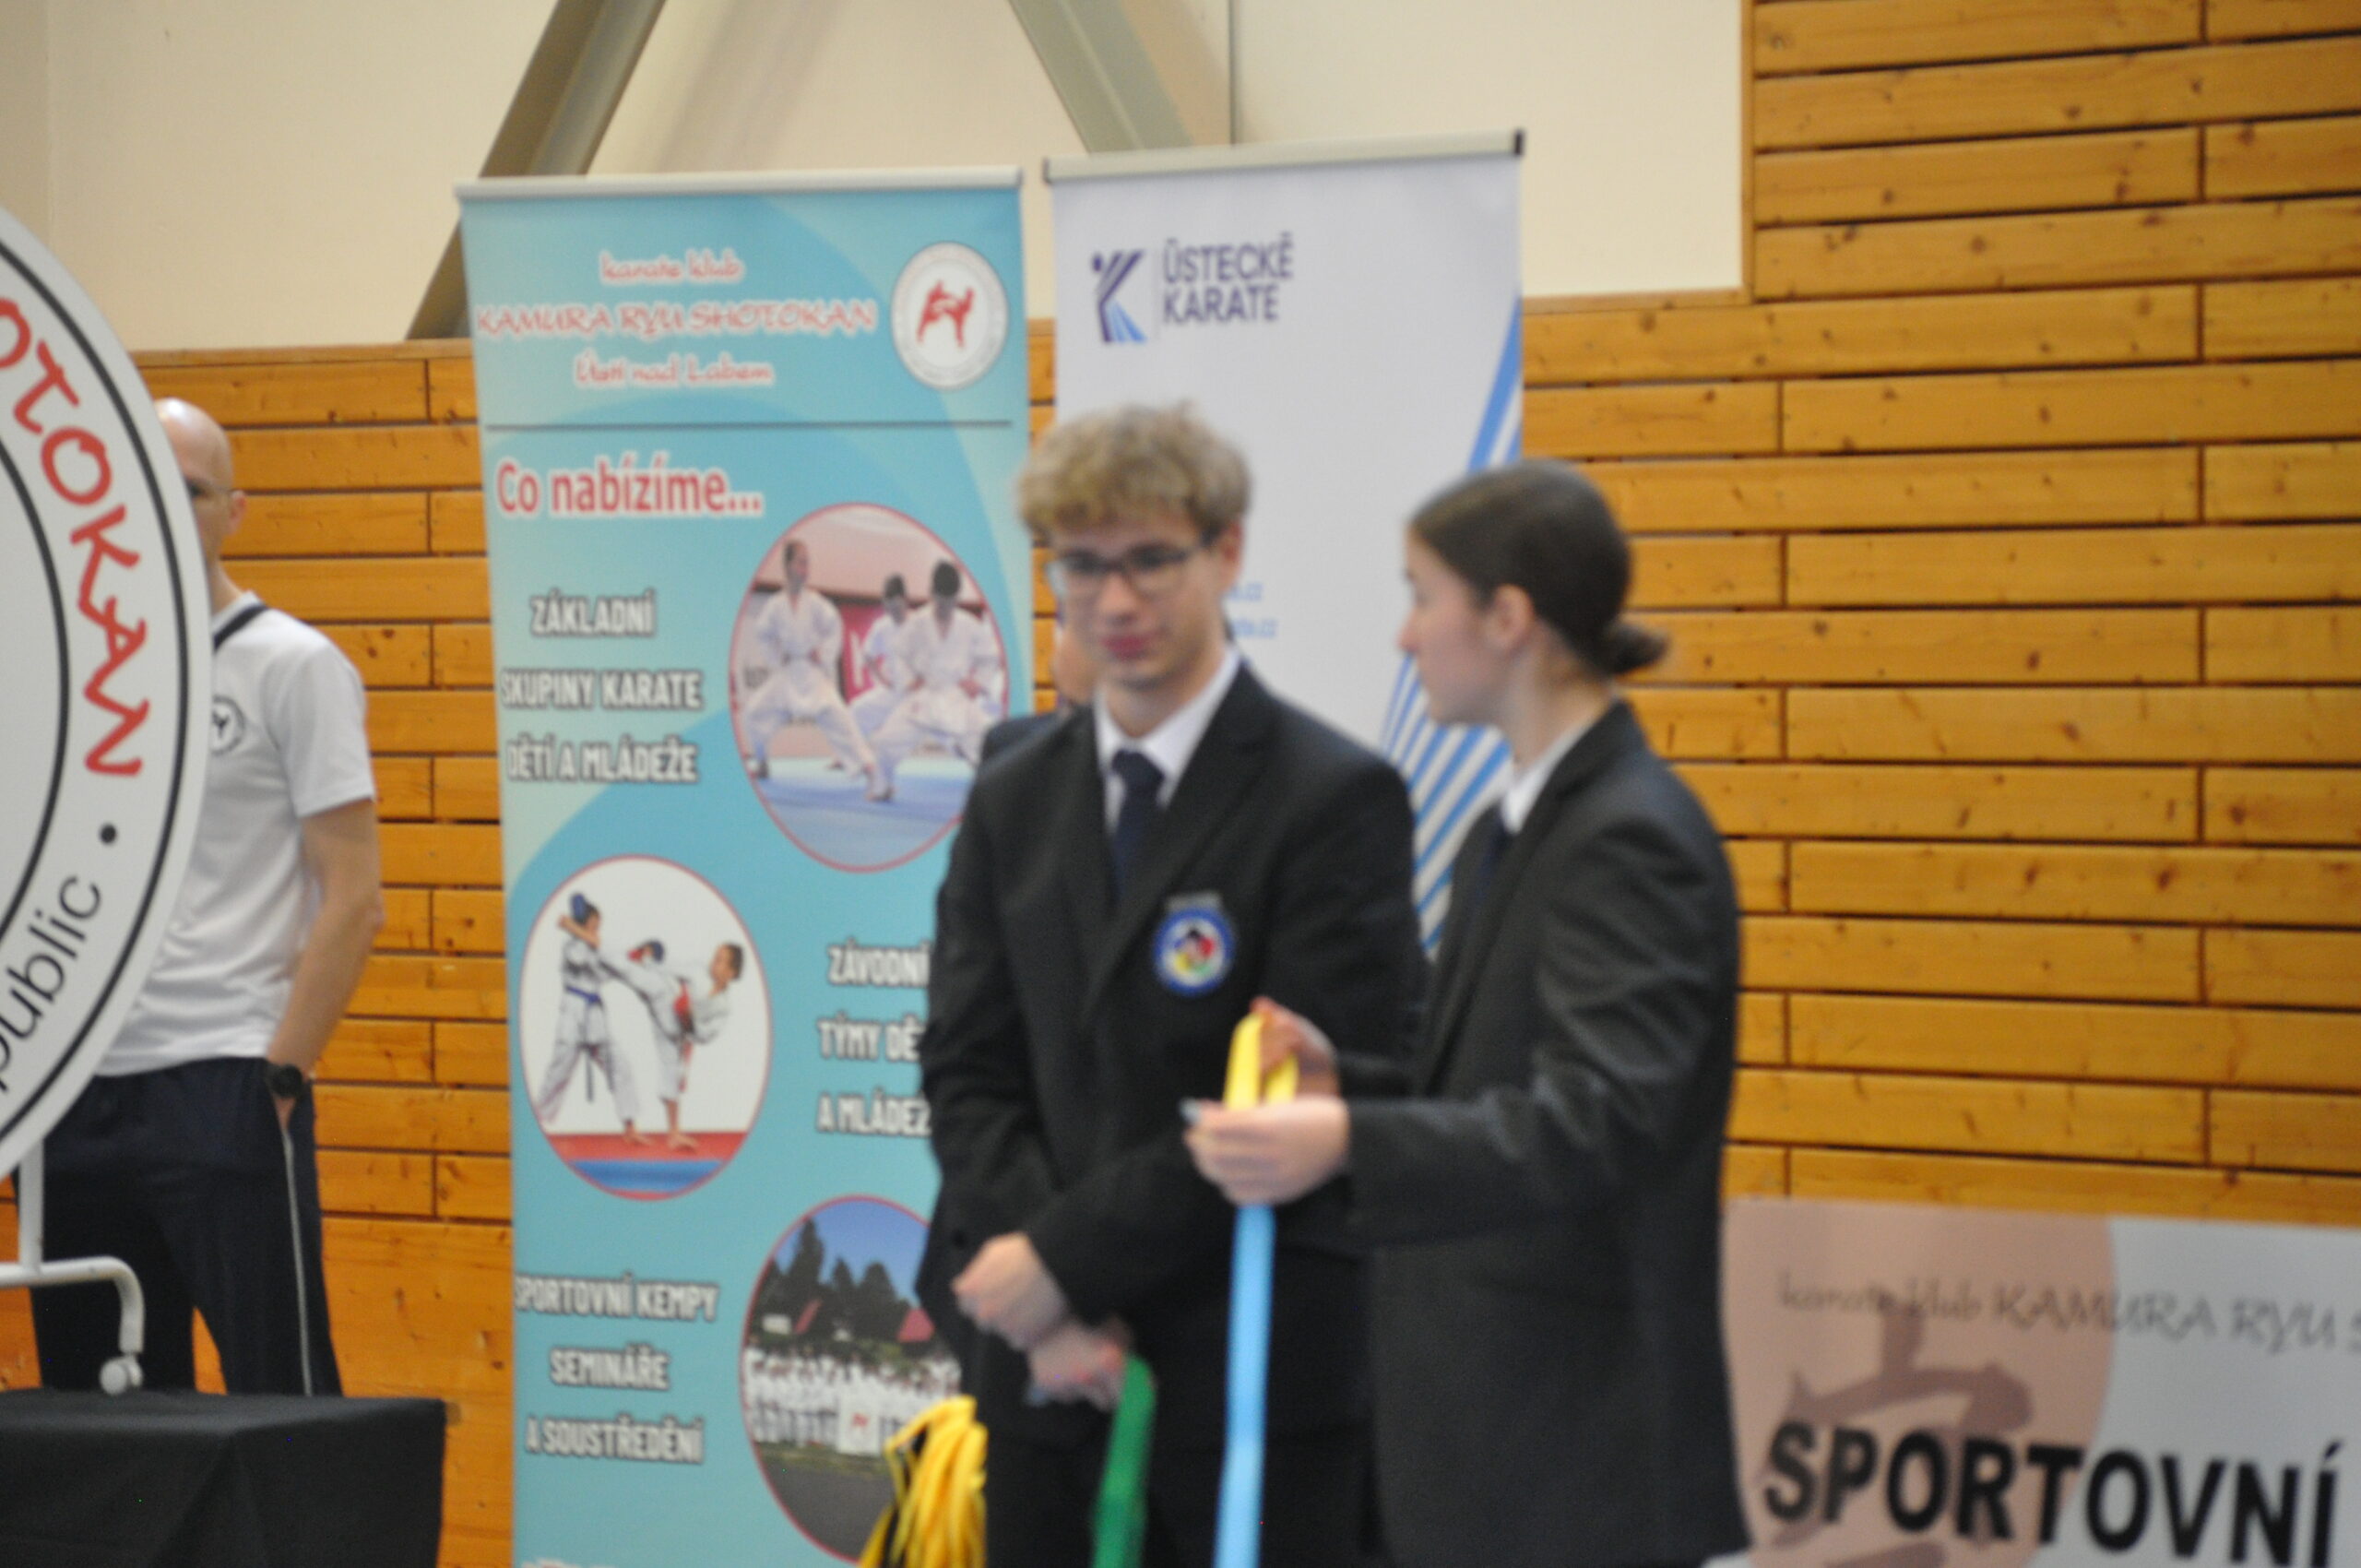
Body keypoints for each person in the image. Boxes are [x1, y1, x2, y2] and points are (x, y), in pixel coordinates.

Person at [1185, 459, 1749, 1568]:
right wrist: (1348, 1080)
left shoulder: (1629, 838)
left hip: (1576, 1459)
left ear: (1507, 619)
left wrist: (1349, 1138)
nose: (1404, 636)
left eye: (1421, 596)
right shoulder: (1510, 827)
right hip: (1485, 1447)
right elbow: (1499, 1086)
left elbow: (1599, 1122)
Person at [919, 403, 1422, 1568]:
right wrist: (1043, 1300)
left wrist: (1064, 1262)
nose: (1116, 599)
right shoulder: (1013, 796)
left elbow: (1290, 1103)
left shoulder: (1331, 797)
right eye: (1082, 565)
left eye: (1150, 559)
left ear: (1226, 551)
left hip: (1241, 1380)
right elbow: (966, 1065)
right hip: (1045, 1375)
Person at [31, 397, 384, 1396]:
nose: (161, 505)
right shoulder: (67, 680)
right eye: (139, 485)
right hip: (76, 1095)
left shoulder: (294, 665)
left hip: (225, 1080)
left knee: (283, 1402)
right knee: (102, 1424)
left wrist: (280, 1076)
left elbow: (354, 896)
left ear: (235, 509)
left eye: (186, 488)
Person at [555, 911, 743, 1152]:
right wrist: (649, 959)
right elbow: (669, 968)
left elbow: (704, 1036)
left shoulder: (724, 1008)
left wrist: (689, 1020)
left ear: (731, 973)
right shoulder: (698, 970)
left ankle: (674, 1134)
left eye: (720, 960)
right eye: (715, 956)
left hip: (676, 1031)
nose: (713, 962)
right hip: (663, 997)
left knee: (672, 1075)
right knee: (626, 966)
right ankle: (572, 927)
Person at [740, 536, 887, 799]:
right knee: (754, 712)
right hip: (787, 675)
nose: (805, 569)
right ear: (787, 566)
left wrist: (823, 654)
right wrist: (776, 657)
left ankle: (872, 772)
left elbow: (834, 627)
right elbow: (763, 634)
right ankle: (761, 763)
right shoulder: (775, 605)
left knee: (841, 719)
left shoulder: (816, 602)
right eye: (800, 562)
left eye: (807, 563)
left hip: (812, 672)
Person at [870, 559, 1005, 794]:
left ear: (957, 597)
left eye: (950, 602)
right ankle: (883, 786)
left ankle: (993, 793)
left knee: (989, 743)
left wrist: (978, 683)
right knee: (885, 742)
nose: (945, 607)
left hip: (955, 698)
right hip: (923, 697)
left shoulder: (968, 625)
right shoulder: (918, 622)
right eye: (941, 602)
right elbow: (899, 653)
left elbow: (990, 657)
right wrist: (909, 680)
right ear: (932, 593)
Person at [531, 897, 647, 1145]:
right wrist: (574, 928)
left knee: (619, 1066)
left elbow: (613, 963)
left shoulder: (597, 947)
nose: (597, 930)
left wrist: (632, 956)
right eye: (594, 924)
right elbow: (584, 954)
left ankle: (630, 1126)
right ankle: (535, 1124)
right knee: (558, 1073)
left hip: (595, 1016)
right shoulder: (571, 947)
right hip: (573, 1013)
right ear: (584, 923)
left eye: (598, 925)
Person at [849, 573, 916, 737]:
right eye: (890, 608)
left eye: (897, 607)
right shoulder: (882, 626)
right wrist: (881, 679)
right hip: (893, 691)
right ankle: (856, 750)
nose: (894, 613)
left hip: (917, 693)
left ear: (905, 600)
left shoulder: (920, 624)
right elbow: (868, 655)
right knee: (856, 710)